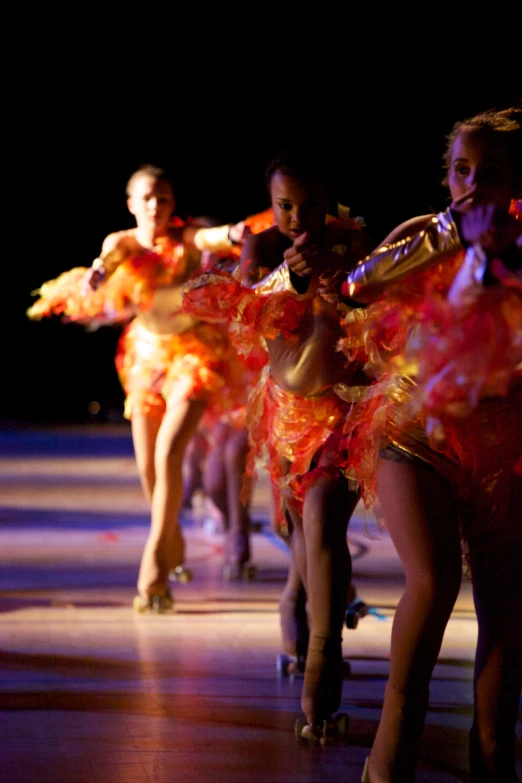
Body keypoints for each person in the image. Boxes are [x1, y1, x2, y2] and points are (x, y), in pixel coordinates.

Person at [338, 107, 522, 782]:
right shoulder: (426, 233)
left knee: (507, 602)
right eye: (460, 170)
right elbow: (357, 286)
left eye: (491, 173)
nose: (472, 184)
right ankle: (390, 757)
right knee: (435, 578)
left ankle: (497, 756)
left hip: (503, 445)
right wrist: (447, 235)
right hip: (414, 434)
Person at [183, 148, 374, 738]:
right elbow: (236, 308)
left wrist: (343, 275)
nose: (297, 217)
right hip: (287, 414)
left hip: (345, 412)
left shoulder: (354, 242)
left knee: (321, 527)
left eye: (311, 205)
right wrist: (289, 275)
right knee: (300, 535)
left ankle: (322, 673)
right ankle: (297, 606)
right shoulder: (264, 248)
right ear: (271, 204)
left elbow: (386, 302)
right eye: (284, 205)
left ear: (330, 201)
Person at [28, 164, 249, 612]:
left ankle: (154, 567)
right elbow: (107, 261)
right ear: (132, 204)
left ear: (172, 204)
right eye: (147, 198)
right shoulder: (123, 242)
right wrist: (97, 273)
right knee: (149, 469)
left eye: (164, 198)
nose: (156, 206)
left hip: (194, 353)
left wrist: (237, 231)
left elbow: (214, 237)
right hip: (146, 355)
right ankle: (172, 537)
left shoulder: (188, 240)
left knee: (170, 453)